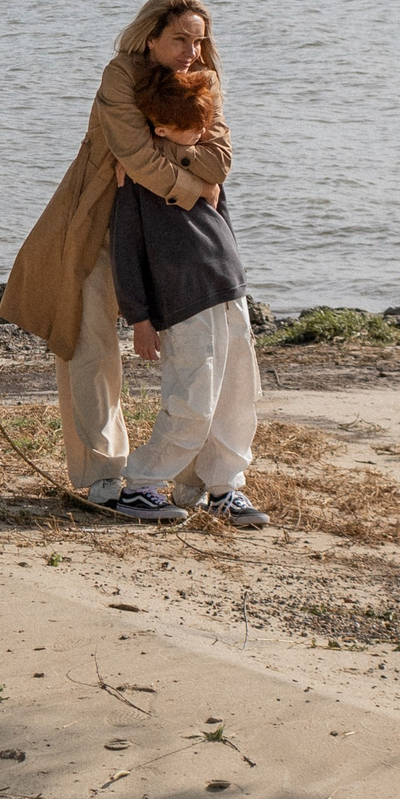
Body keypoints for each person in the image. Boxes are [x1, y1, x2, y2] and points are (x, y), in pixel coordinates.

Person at [1, 0, 231, 507]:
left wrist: (190, 160)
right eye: (180, 39)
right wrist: (196, 182)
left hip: (175, 234)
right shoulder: (120, 77)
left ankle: (190, 479)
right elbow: (135, 154)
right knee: (90, 344)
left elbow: (220, 159)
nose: (191, 51)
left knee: (193, 351)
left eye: (199, 40)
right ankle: (103, 477)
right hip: (97, 222)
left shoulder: (206, 81)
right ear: (151, 38)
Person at [107, 63, 267, 528]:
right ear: (159, 127)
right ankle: (140, 485)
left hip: (227, 290)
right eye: (191, 127)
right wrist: (139, 317)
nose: (202, 133)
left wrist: (238, 279)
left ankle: (224, 487)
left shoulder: (202, 162)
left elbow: (222, 225)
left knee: (238, 395)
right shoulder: (135, 180)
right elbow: (126, 252)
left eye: (204, 123)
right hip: (180, 303)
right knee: (192, 400)